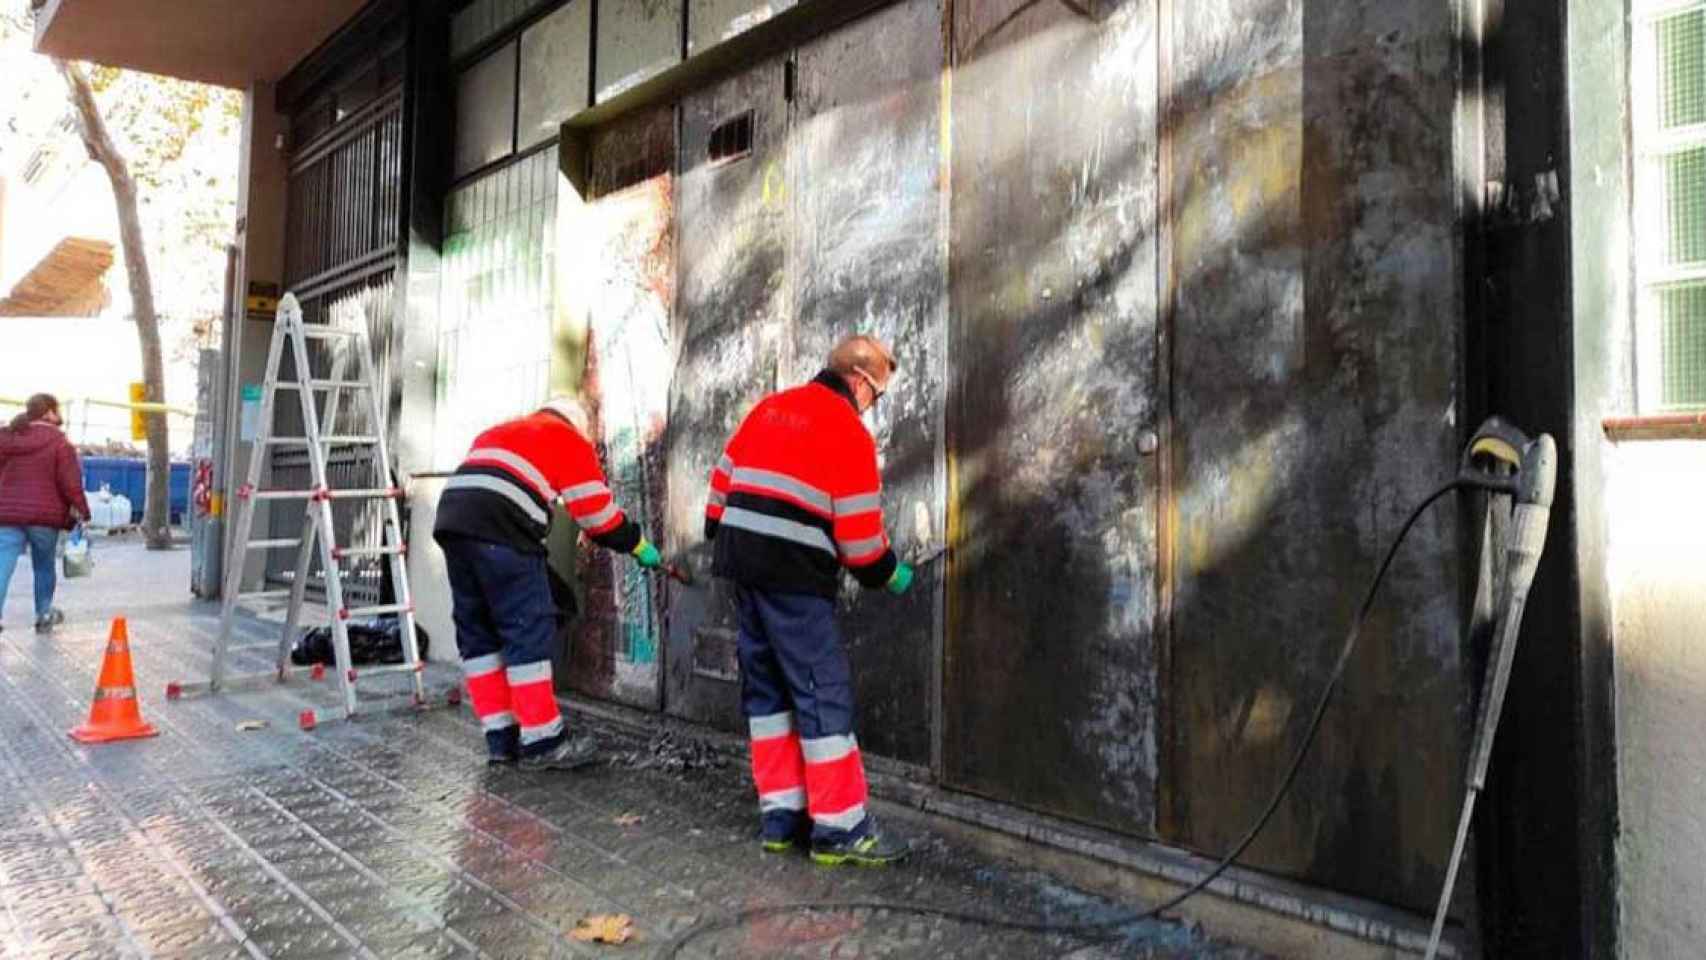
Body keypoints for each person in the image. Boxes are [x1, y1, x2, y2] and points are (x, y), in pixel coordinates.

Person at [706, 334, 915, 866]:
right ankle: (841, 827)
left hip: (741, 562)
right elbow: (863, 544)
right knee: (821, 691)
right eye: (878, 393)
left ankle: (782, 817)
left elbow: (719, 490)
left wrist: (730, 537)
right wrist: (889, 575)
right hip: (792, 572)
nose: (874, 406)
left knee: (768, 688)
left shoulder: (770, 408)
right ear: (859, 381)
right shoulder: (848, 431)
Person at [433, 396, 665, 770]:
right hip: (504, 524)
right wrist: (637, 544)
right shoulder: (568, 439)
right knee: (526, 626)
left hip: (454, 520)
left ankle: (500, 740)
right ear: (581, 425)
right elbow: (597, 516)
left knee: (478, 632)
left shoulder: (501, 430)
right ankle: (543, 740)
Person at [0, 394, 89, 635]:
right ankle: (43, 613)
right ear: (48, 412)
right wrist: (83, 510)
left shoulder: (8, 436)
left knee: (2, 564)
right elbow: (70, 482)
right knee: (43, 566)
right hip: (44, 518)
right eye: (56, 410)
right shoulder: (60, 442)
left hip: (7, 515)